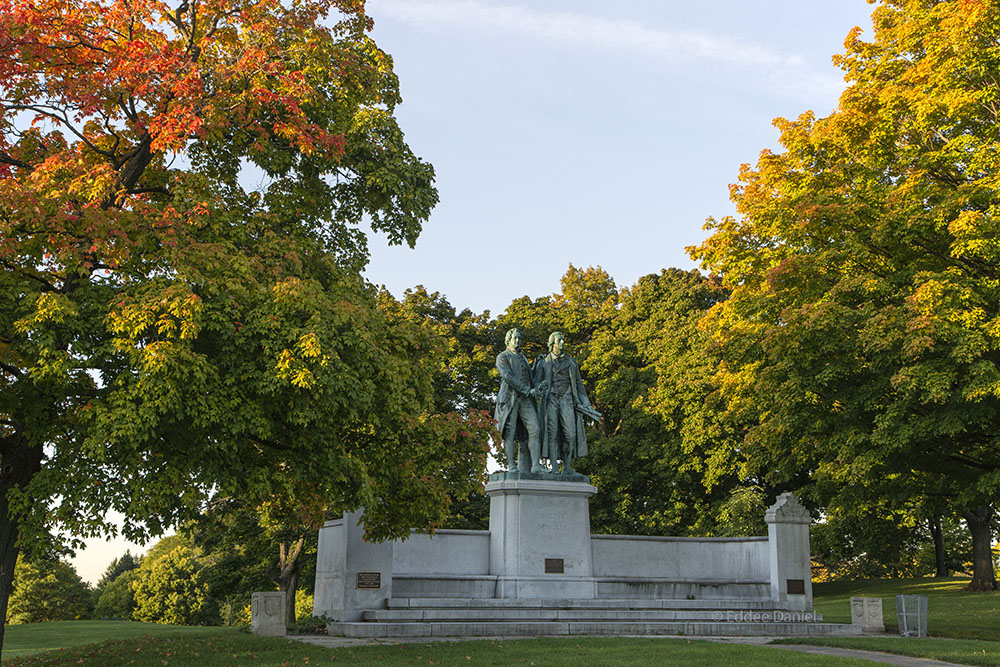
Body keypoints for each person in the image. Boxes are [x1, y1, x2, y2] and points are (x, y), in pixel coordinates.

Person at [533, 331, 600, 474]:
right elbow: (536, 382)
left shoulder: (571, 362)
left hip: (567, 399)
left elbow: (579, 385)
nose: (563, 342)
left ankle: (567, 467)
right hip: (551, 399)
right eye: (559, 340)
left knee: (571, 435)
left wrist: (586, 404)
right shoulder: (543, 362)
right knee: (551, 433)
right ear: (552, 344)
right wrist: (540, 387)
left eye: (563, 340)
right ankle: (555, 468)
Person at [494, 328, 544, 473]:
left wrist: (538, 365)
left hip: (525, 399)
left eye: (519, 338)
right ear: (508, 340)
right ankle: (512, 466)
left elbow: (530, 378)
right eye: (514, 338)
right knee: (509, 432)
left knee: (534, 429)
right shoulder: (502, 357)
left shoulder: (522, 358)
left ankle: (535, 465)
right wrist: (527, 390)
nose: (517, 341)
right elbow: (508, 377)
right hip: (509, 398)